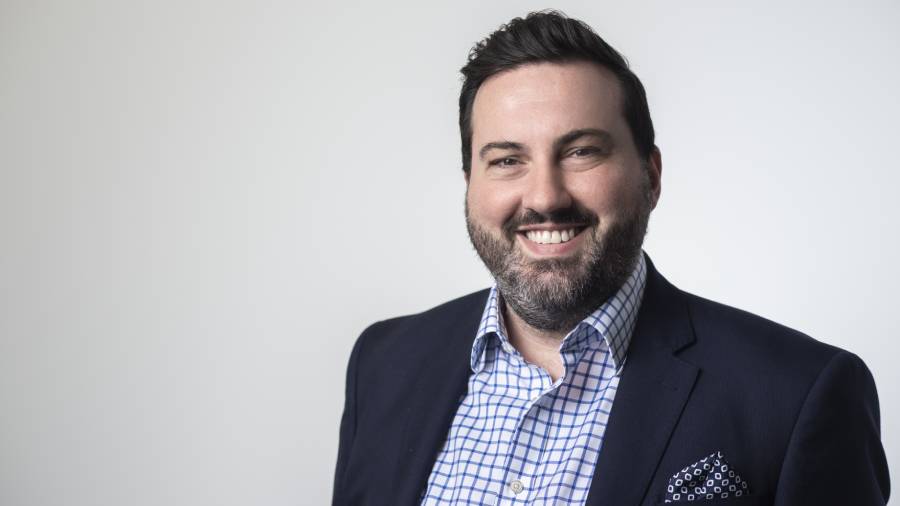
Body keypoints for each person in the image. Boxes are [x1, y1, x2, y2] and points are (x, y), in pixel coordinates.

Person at [332, 10, 890, 506]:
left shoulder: (800, 393)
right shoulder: (382, 365)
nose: (546, 197)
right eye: (506, 160)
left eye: (581, 152)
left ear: (650, 175)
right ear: (469, 183)